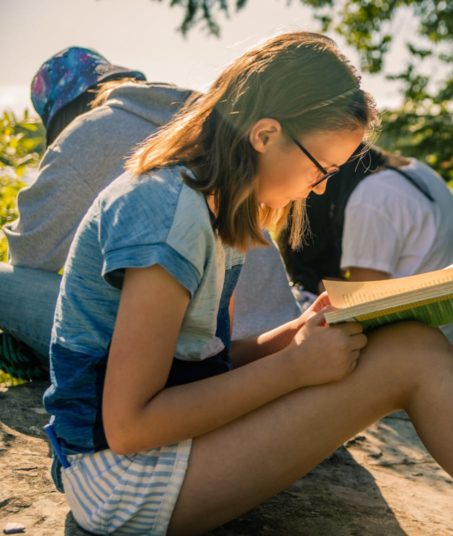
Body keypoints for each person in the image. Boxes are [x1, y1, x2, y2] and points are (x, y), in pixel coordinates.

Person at [41, 32, 453, 535]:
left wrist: (293, 336)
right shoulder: (164, 213)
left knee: (415, 345)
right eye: (321, 167)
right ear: (266, 134)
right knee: (411, 360)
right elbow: (130, 424)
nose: (321, 187)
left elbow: (196, 364)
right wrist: (294, 369)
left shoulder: (205, 208)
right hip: (120, 482)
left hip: (152, 460)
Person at [0, 46, 300, 378]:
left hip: (198, 353)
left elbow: (29, 256)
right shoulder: (197, 117)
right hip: (273, 337)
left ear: (61, 113)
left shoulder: (88, 129)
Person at [278, 144, 453, 347]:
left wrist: (317, 285)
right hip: (445, 343)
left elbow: (365, 306)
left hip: (404, 352)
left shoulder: (371, 198)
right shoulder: (417, 170)